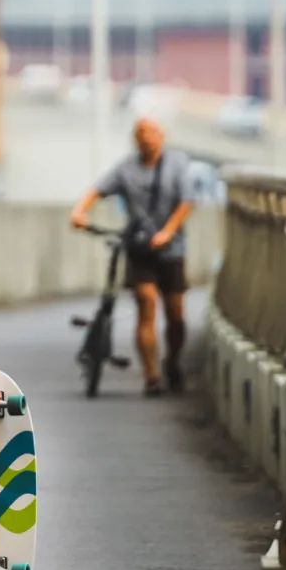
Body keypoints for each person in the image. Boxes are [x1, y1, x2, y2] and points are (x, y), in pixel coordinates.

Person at [70, 117, 195, 396]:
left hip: (171, 248)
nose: (146, 138)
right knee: (146, 303)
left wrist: (167, 232)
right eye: (141, 133)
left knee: (175, 316)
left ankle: (172, 361)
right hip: (139, 248)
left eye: (151, 132)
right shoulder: (126, 169)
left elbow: (187, 202)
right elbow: (97, 190)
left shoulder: (177, 164)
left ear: (162, 136)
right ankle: (152, 376)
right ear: (134, 138)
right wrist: (79, 212)